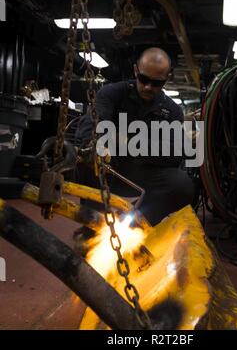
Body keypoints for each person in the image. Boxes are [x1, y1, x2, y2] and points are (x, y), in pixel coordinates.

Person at [75, 47, 195, 226]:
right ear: (135, 71)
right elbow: (92, 125)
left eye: (156, 83)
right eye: (144, 79)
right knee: (88, 159)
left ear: (166, 80)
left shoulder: (172, 111)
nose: (148, 87)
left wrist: (125, 141)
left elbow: (175, 153)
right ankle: (91, 225)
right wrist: (95, 144)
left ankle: (136, 223)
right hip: (110, 168)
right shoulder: (112, 93)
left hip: (145, 172)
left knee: (183, 184)